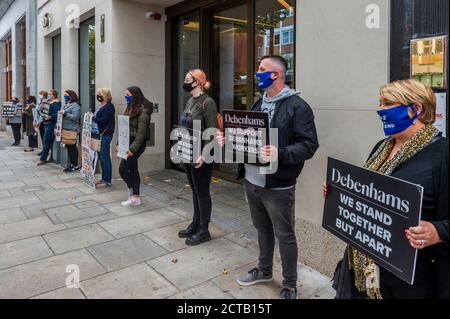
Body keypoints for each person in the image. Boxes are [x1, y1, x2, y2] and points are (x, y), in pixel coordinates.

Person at [324, 79, 449, 299]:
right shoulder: (382, 146)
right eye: (380, 103)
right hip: (366, 269)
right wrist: (341, 194)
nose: (380, 110)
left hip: (411, 282)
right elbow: (367, 193)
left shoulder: (442, 154)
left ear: (415, 109)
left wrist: (437, 232)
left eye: (387, 103)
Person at [218, 55, 319, 299]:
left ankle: (290, 284)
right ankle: (264, 270)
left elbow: (309, 145)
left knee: (284, 235)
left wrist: (280, 152)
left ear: (276, 74)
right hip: (252, 180)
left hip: (278, 184)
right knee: (262, 229)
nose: (257, 73)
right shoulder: (257, 104)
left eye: (261, 69)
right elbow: (248, 137)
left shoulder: (298, 106)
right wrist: (227, 141)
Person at [177, 69, 218, 246]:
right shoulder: (190, 101)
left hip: (202, 154)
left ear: (198, 82)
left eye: (188, 79)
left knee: (202, 191)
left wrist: (204, 154)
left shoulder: (208, 103)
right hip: (188, 151)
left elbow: (212, 131)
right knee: (194, 189)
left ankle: (204, 229)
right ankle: (195, 223)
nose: (185, 82)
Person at [118, 86, 153, 207]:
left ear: (135, 95)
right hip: (127, 142)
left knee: (122, 169)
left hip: (136, 144)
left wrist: (132, 149)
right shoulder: (131, 106)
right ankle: (135, 197)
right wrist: (119, 143)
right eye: (125, 94)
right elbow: (124, 127)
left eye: (128, 94)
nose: (126, 97)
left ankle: (132, 192)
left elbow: (141, 134)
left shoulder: (143, 111)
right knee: (133, 169)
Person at [92, 88, 116, 188]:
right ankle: (104, 178)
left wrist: (92, 118)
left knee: (105, 157)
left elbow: (104, 120)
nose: (98, 96)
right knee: (101, 157)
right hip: (98, 135)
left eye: (99, 94)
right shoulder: (101, 106)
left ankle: (107, 180)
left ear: (105, 95)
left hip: (105, 135)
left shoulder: (109, 106)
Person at [38, 89, 61, 165]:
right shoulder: (48, 102)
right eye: (48, 94)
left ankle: (43, 159)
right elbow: (41, 111)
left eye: (50, 94)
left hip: (51, 124)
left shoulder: (56, 103)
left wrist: (50, 117)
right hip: (46, 123)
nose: (49, 95)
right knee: (48, 141)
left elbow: (56, 114)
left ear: (54, 95)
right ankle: (49, 157)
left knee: (46, 141)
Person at [60, 90, 81, 172]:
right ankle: (71, 164)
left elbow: (75, 117)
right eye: (64, 95)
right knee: (68, 146)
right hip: (65, 129)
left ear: (71, 96)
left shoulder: (75, 106)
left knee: (72, 147)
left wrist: (65, 113)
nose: (65, 96)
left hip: (72, 129)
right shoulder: (65, 105)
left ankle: (74, 165)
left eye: (66, 95)